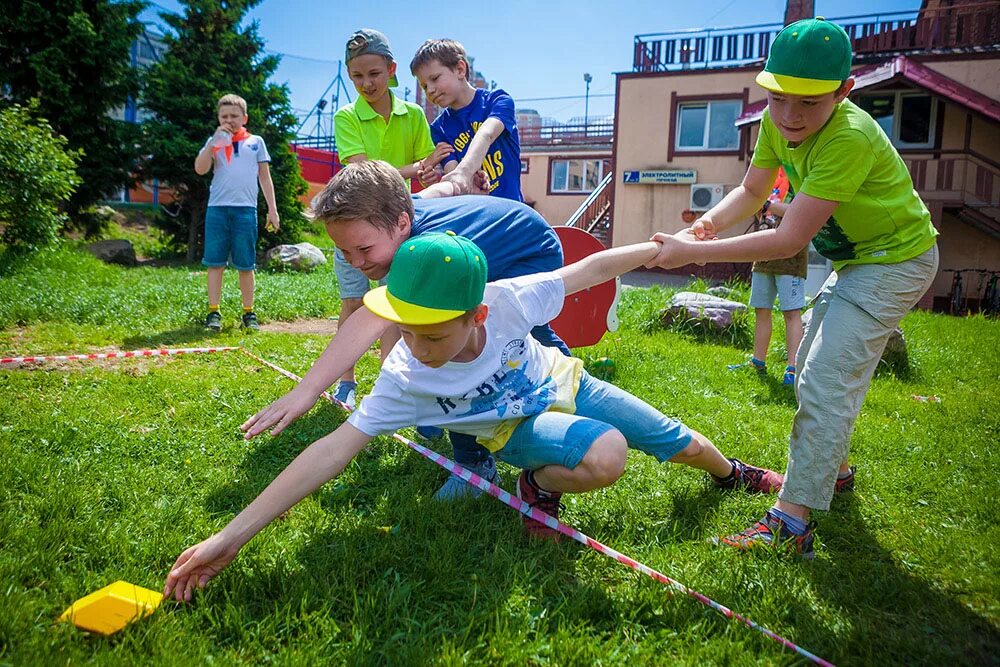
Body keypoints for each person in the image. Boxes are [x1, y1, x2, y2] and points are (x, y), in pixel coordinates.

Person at [164, 232, 784, 601]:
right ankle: (535, 484)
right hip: (515, 429)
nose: (412, 346)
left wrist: (663, 250)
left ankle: (732, 474)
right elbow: (330, 452)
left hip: (565, 382)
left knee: (676, 440)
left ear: (477, 315)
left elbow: (589, 270)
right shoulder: (404, 379)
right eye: (404, 329)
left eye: (431, 334)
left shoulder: (508, 301)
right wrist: (228, 539)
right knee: (608, 454)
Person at [646, 18, 939, 558]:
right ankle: (837, 472)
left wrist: (695, 254)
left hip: (897, 261)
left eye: (808, 102)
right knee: (806, 364)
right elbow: (753, 189)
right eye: (778, 98)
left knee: (825, 379)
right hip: (857, 259)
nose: (789, 115)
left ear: (844, 91)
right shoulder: (778, 122)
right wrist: (705, 226)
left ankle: (791, 522)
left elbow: (788, 240)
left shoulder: (848, 136)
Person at [242, 160, 572, 502]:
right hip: (506, 237)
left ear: (402, 223)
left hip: (528, 253)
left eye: (364, 250)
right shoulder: (397, 220)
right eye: (344, 252)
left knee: (465, 347)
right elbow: (437, 193)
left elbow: (370, 319)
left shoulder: (426, 248)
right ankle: (452, 415)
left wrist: (307, 391)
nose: (356, 263)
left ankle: (476, 461)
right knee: (455, 342)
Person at [331, 28, 452, 409]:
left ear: (391, 70)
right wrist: (416, 168)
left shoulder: (414, 115)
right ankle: (346, 381)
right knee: (353, 303)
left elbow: (427, 166)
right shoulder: (346, 116)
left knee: (394, 306)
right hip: (354, 226)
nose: (366, 83)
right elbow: (363, 172)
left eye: (374, 74)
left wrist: (428, 172)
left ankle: (388, 384)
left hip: (397, 229)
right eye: (357, 76)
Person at [194, 93, 279, 332]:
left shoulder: (256, 142)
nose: (229, 120)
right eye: (224, 116)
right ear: (218, 118)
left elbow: (265, 176)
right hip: (217, 210)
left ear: (245, 118)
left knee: (246, 264)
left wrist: (272, 209)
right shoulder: (215, 141)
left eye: (234, 115)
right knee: (215, 263)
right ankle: (213, 312)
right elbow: (200, 169)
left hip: (245, 210)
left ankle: (248, 313)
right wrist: (213, 143)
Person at [410, 39, 522, 200]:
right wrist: (439, 181)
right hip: (474, 215)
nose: (430, 90)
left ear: (460, 69)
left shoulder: (498, 101)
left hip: (511, 212)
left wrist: (464, 172)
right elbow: (455, 177)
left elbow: (486, 134)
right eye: (424, 86)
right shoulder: (439, 129)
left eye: (435, 78)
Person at [727, 169, 805, 386]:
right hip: (762, 256)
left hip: (791, 258)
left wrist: (768, 205)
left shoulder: (801, 179)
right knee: (762, 309)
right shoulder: (770, 179)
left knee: (791, 312)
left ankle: (793, 369)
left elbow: (800, 213)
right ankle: (758, 362)